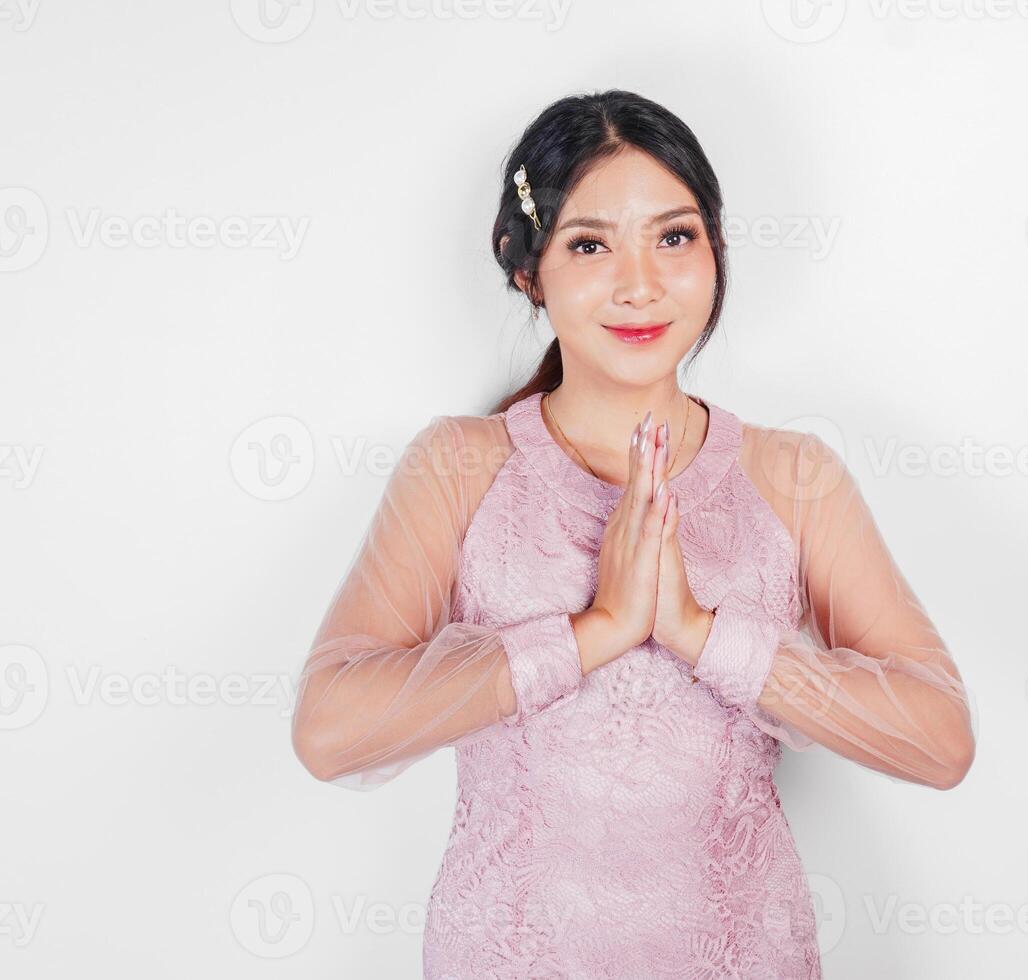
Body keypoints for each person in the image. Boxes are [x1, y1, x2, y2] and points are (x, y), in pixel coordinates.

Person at [290, 89, 975, 979]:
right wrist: (593, 632)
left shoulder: (794, 476)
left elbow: (941, 740)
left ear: (717, 249)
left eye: (675, 237)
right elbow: (329, 731)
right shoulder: (458, 467)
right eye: (588, 245)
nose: (641, 283)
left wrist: (699, 633)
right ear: (525, 267)